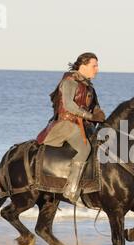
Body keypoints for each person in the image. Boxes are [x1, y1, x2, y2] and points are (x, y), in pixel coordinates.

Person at [36, 52, 106, 203]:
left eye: (97, 66)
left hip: (82, 124)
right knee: (85, 149)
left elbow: (94, 108)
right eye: (94, 66)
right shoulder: (69, 81)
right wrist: (90, 116)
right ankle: (71, 188)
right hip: (65, 124)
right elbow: (68, 106)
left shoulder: (88, 86)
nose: (97, 69)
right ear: (83, 66)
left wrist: (100, 114)